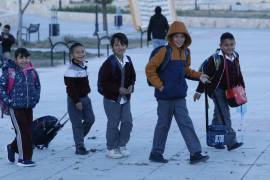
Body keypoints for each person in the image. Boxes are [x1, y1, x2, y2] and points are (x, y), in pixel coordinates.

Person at [146, 21, 210, 164]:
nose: (179, 39)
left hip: (179, 97)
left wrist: (199, 75)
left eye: (182, 37)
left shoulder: (186, 52)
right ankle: (156, 153)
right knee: (163, 124)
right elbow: (150, 68)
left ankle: (195, 153)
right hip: (164, 97)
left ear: (186, 38)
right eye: (176, 36)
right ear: (171, 37)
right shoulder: (164, 51)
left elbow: (186, 70)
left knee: (186, 123)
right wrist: (160, 85)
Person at [193, 32, 245, 151]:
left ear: (235, 44)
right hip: (216, 90)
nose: (229, 47)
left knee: (219, 115)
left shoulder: (235, 56)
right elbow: (204, 76)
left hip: (228, 90)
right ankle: (231, 142)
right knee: (224, 113)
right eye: (226, 45)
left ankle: (216, 139)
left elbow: (238, 73)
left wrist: (242, 87)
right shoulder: (215, 59)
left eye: (231, 44)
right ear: (220, 45)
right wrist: (199, 91)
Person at [0, 48, 41, 167]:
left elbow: (37, 86)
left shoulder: (32, 72)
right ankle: (24, 159)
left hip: (29, 106)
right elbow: (1, 88)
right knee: (22, 131)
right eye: (21, 58)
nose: (24, 60)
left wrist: (35, 98)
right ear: (16, 59)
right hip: (15, 107)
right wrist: (9, 101)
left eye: (27, 57)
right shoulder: (10, 72)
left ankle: (12, 147)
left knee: (28, 131)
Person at [98, 33, 136, 159]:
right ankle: (111, 147)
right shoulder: (108, 63)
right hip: (111, 99)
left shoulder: (128, 60)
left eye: (122, 44)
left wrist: (131, 86)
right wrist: (117, 89)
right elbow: (103, 82)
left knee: (127, 122)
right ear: (112, 47)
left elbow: (132, 77)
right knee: (113, 123)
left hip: (125, 99)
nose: (120, 47)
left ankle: (121, 144)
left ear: (126, 46)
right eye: (116, 45)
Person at [64, 42, 95, 155]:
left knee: (90, 119)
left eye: (82, 51)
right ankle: (79, 146)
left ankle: (78, 138)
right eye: (77, 52)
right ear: (72, 55)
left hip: (86, 98)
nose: (81, 54)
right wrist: (77, 101)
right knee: (76, 123)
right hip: (74, 100)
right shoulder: (71, 70)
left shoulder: (83, 65)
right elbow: (71, 88)